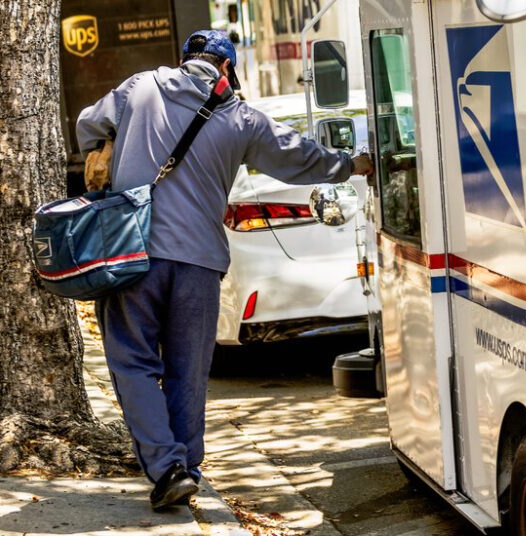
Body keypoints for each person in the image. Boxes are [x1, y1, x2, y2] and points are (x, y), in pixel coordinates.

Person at [74, 29, 373, 511]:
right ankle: (186, 469)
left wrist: (108, 147)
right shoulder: (242, 118)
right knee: (188, 370)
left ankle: (167, 466)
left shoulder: (140, 87)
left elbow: (87, 124)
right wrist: (351, 164)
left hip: (132, 255)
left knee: (132, 361)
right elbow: (300, 158)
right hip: (199, 262)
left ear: (183, 60)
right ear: (227, 70)